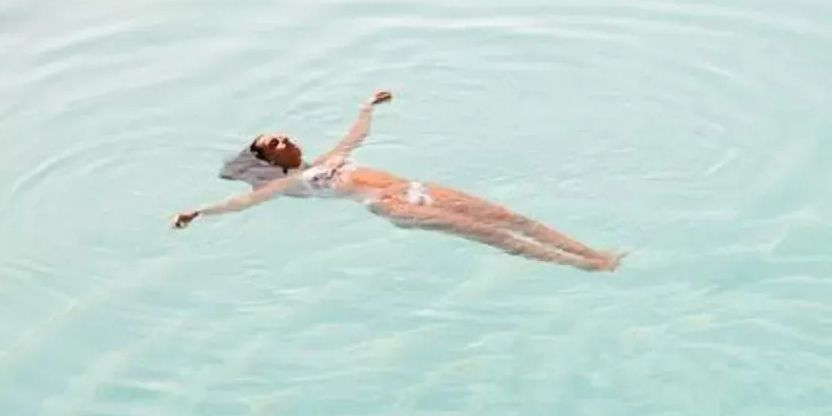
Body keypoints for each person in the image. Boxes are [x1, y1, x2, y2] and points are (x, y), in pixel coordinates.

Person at [172, 90, 621, 271]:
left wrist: (367, 107)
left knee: (509, 217)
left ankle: (591, 251)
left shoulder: (328, 158)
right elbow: (241, 204)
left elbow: (355, 136)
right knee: (486, 233)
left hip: (414, 187)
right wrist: (200, 212)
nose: (287, 138)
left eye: (283, 135)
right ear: (270, 159)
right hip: (388, 204)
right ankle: (585, 265)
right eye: (276, 141)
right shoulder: (287, 184)